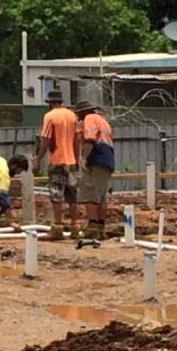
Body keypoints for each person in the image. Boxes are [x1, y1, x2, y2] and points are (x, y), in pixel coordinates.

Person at [36, 88, 80, 239]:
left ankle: (58, 227)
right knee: (72, 196)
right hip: (71, 161)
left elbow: (46, 139)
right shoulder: (72, 116)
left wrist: (38, 160)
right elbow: (76, 139)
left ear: (50, 103)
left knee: (56, 195)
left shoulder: (50, 116)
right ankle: (75, 226)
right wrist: (76, 159)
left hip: (57, 161)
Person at [77, 101, 116, 244]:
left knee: (90, 194)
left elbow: (90, 139)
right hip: (107, 160)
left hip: (97, 158)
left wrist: (84, 158)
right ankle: (100, 228)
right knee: (101, 197)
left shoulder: (89, 119)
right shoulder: (103, 121)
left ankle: (93, 228)